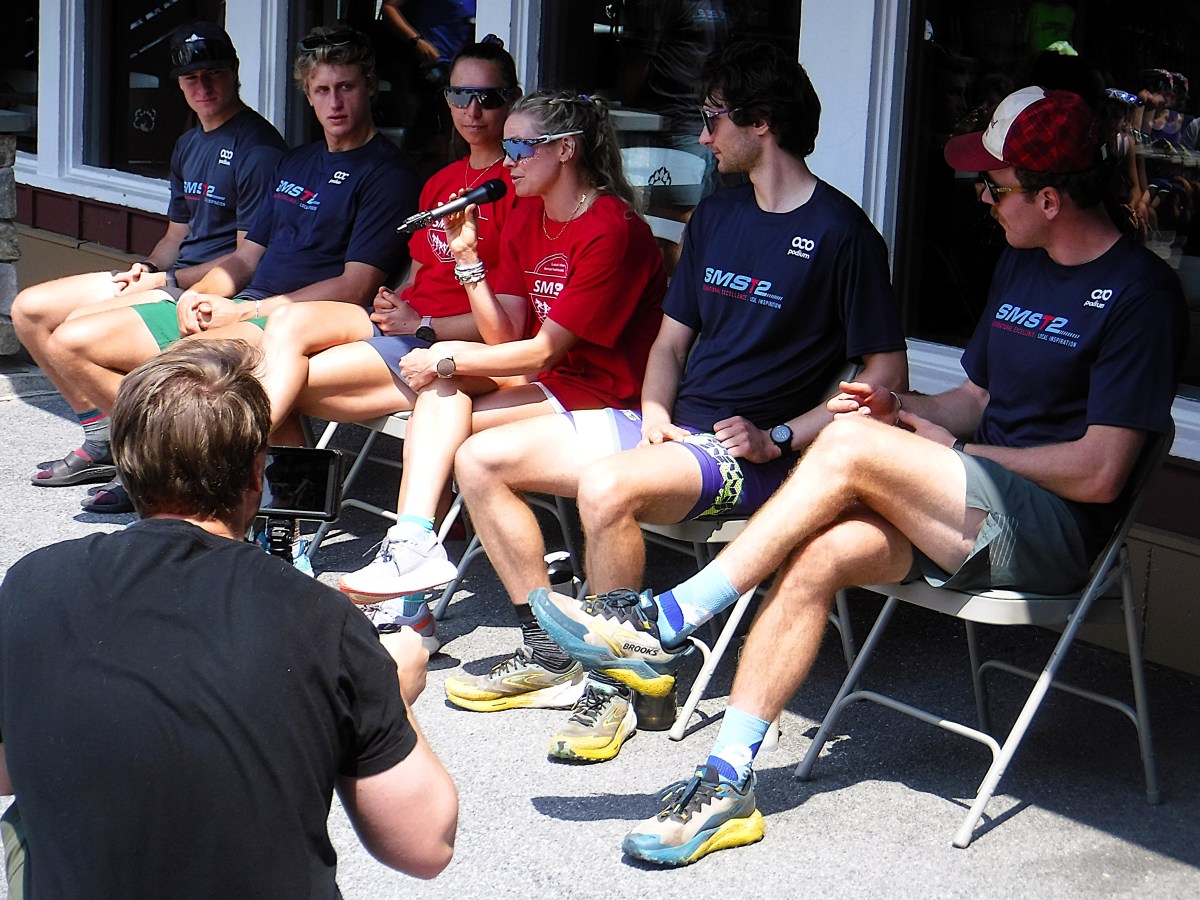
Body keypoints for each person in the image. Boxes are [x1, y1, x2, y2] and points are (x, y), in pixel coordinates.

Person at [533, 86, 1188, 865]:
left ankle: (671, 620)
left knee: (842, 443)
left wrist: (955, 456)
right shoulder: (1024, 263)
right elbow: (975, 397)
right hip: (969, 507)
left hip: (1049, 531)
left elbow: (1101, 472)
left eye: (996, 186)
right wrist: (900, 405)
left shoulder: (1141, 296)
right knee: (823, 552)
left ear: (1050, 198)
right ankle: (726, 782)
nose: (981, 198)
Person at [450, 40, 908, 764]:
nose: (702, 136)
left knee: (607, 486)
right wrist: (656, 415)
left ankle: (617, 686)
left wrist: (782, 436)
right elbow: (667, 346)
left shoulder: (843, 234)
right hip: (670, 430)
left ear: (763, 123)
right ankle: (553, 649)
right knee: (479, 458)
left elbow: (884, 381)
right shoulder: (718, 218)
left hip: (748, 457)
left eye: (714, 118)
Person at [0, 339, 458, 896]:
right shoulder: (322, 620)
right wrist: (391, 690)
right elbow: (423, 846)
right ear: (256, 475)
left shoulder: (33, 580)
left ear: (125, 463)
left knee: (26, 822)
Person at [333, 91, 667, 649]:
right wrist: (468, 260)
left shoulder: (612, 227)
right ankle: (414, 548)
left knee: (444, 419)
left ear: (565, 150)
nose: (506, 158)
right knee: (442, 401)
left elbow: (541, 352)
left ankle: (414, 595)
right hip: (550, 384)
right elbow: (504, 334)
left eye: (519, 145)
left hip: (607, 396)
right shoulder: (530, 215)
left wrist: (447, 354)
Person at [42, 26, 420, 514]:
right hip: (244, 306)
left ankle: (185, 474)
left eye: (346, 87)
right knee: (70, 343)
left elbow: (357, 285)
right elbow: (246, 256)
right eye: (323, 89)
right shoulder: (297, 162)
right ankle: (166, 458)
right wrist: (205, 295)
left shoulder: (387, 173)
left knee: (172, 375)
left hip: (303, 320)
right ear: (307, 95)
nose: (335, 102)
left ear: (369, 87)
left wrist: (242, 312)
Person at [13, 21, 286, 490]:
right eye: (190, 78)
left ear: (234, 72)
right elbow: (176, 234)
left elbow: (247, 258)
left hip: (213, 290)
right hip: (173, 276)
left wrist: (164, 281)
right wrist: (148, 268)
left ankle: (156, 456)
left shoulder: (257, 149)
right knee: (30, 311)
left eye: (213, 73)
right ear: (178, 84)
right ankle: (102, 437)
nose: (203, 86)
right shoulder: (188, 143)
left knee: (75, 331)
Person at [259, 37, 521, 449]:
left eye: (487, 98)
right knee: (286, 323)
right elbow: (418, 277)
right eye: (459, 95)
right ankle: (289, 492)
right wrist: (392, 301)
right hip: (406, 324)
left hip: (449, 340)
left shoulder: (519, 190)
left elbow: (510, 322)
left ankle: (242, 460)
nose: (472, 111)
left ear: (512, 100)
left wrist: (422, 325)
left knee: (281, 375)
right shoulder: (440, 182)